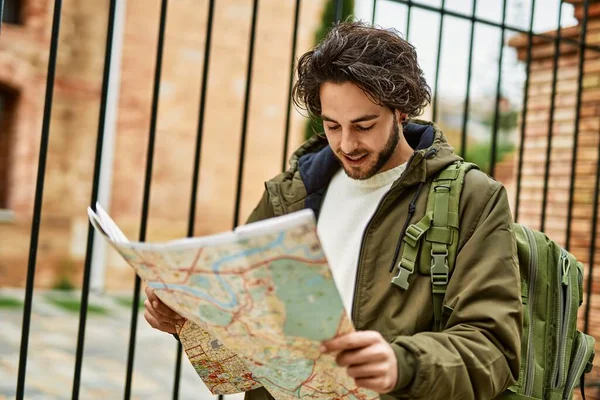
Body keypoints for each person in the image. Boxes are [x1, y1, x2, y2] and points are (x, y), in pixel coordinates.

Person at [143, 21, 522, 399]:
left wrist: (401, 364)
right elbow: (248, 321)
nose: (347, 143)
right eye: (332, 125)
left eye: (364, 125)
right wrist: (189, 319)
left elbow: (493, 351)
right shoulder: (292, 192)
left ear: (402, 110)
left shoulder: (472, 198)